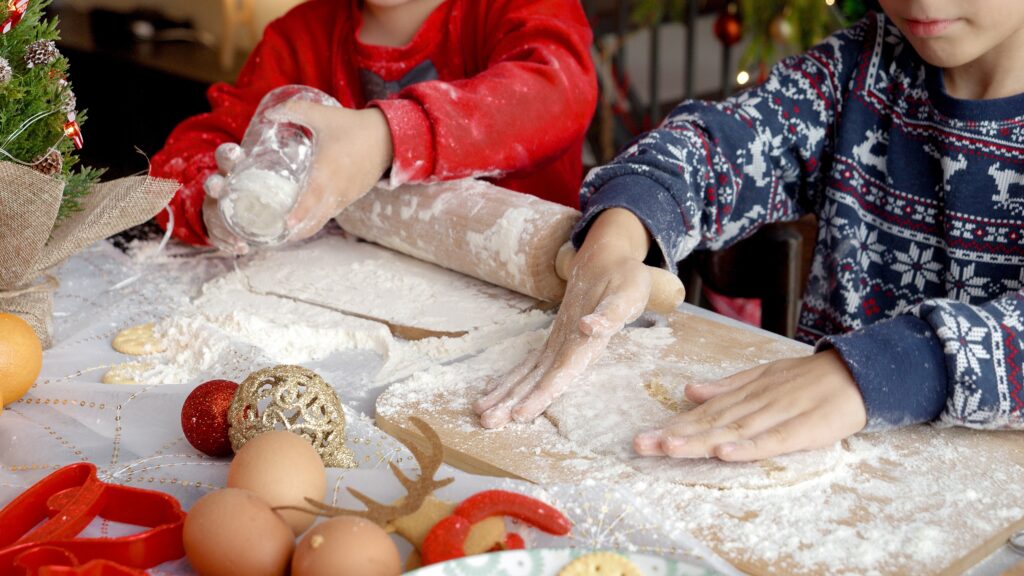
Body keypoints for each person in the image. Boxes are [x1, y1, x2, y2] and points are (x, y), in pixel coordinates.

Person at [475, 0, 1024, 461]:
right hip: (820, 470)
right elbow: (718, 146)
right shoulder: (861, 70)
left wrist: (882, 372)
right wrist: (623, 232)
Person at [150, 0, 596, 252]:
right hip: (361, 303)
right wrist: (210, 203)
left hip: (525, 295)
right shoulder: (298, 39)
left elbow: (556, 91)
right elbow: (184, 162)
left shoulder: (517, 8)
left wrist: (389, 136)